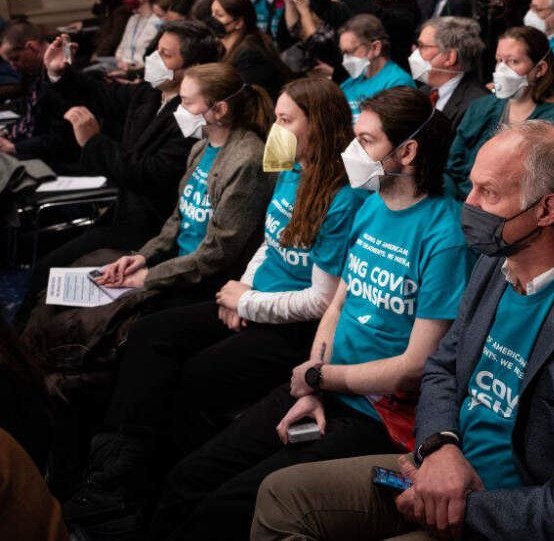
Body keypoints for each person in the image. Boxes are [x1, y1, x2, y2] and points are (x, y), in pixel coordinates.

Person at [251, 119, 554, 540]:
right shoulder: (494, 262)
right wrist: (440, 447)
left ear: (547, 210)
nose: (469, 204)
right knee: (280, 496)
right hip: (435, 466)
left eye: (488, 192)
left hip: (505, 515)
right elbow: (443, 368)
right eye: (472, 187)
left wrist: (462, 506)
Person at [148, 87, 473, 539]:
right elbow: (338, 303)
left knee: (226, 509)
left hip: (380, 417)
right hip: (326, 386)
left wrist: (322, 379)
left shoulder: (445, 235)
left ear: (408, 151)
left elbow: (413, 368)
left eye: (365, 140)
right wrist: (315, 379)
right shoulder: (372, 206)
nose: (351, 151)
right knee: (189, 478)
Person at [62, 79, 365, 536]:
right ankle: (117, 473)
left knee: (188, 379)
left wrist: (251, 303)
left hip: (292, 325)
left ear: (317, 126)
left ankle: (149, 484)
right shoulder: (290, 165)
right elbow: (270, 240)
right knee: (149, 336)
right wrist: (239, 288)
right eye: (277, 117)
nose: (276, 129)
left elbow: (321, 300)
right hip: (251, 297)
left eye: (286, 121)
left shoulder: (340, 196)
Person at [21, 63, 275, 395]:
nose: (179, 110)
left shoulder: (247, 159)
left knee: (99, 329)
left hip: (204, 282)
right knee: (61, 294)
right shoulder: (201, 148)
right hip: (176, 265)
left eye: (187, 103)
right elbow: (176, 221)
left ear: (220, 109)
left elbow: (217, 254)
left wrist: (149, 278)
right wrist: (141, 259)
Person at [15, 21, 223, 325]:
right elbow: (102, 95)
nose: (153, 60)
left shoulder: (194, 115)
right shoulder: (151, 93)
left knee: (47, 271)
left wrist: (94, 142)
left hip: (152, 226)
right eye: (155, 51)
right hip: (124, 211)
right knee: (46, 272)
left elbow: (152, 175)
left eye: (165, 55)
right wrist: (60, 72)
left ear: (196, 67)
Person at [444, 26, 554, 200]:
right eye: (499, 60)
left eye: (513, 62)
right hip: (464, 200)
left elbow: (538, 188)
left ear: (540, 69)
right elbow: (453, 164)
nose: (502, 70)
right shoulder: (482, 106)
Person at [0, 24, 78, 169]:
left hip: (56, 161)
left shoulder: (65, 75)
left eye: (15, 59)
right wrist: (6, 132)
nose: (13, 67)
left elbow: (63, 138)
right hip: (32, 147)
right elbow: (30, 117)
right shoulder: (32, 73)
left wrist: (13, 148)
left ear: (32, 47)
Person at [409, 16, 489, 128]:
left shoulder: (478, 105)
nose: (416, 53)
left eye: (422, 46)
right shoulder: (423, 93)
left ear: (449, 57)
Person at [338, 14, 416, 122]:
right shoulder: (348, 84)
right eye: (343, 53)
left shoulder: (397, 83)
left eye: (350, 51)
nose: (346, 59)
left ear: (375, 47)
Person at [212, 0, 290, 98]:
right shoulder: (221, 49)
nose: (213, 19)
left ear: (238, 23)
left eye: (219, 15)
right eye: (212, 14)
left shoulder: (251, 54)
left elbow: (244, 97)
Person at [114, 0, 165, 70]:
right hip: (122, 65)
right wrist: (120, 61)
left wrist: (132, 69)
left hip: (141, 69)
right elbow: (121, 48)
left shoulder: (158, 22)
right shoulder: (133, 19)